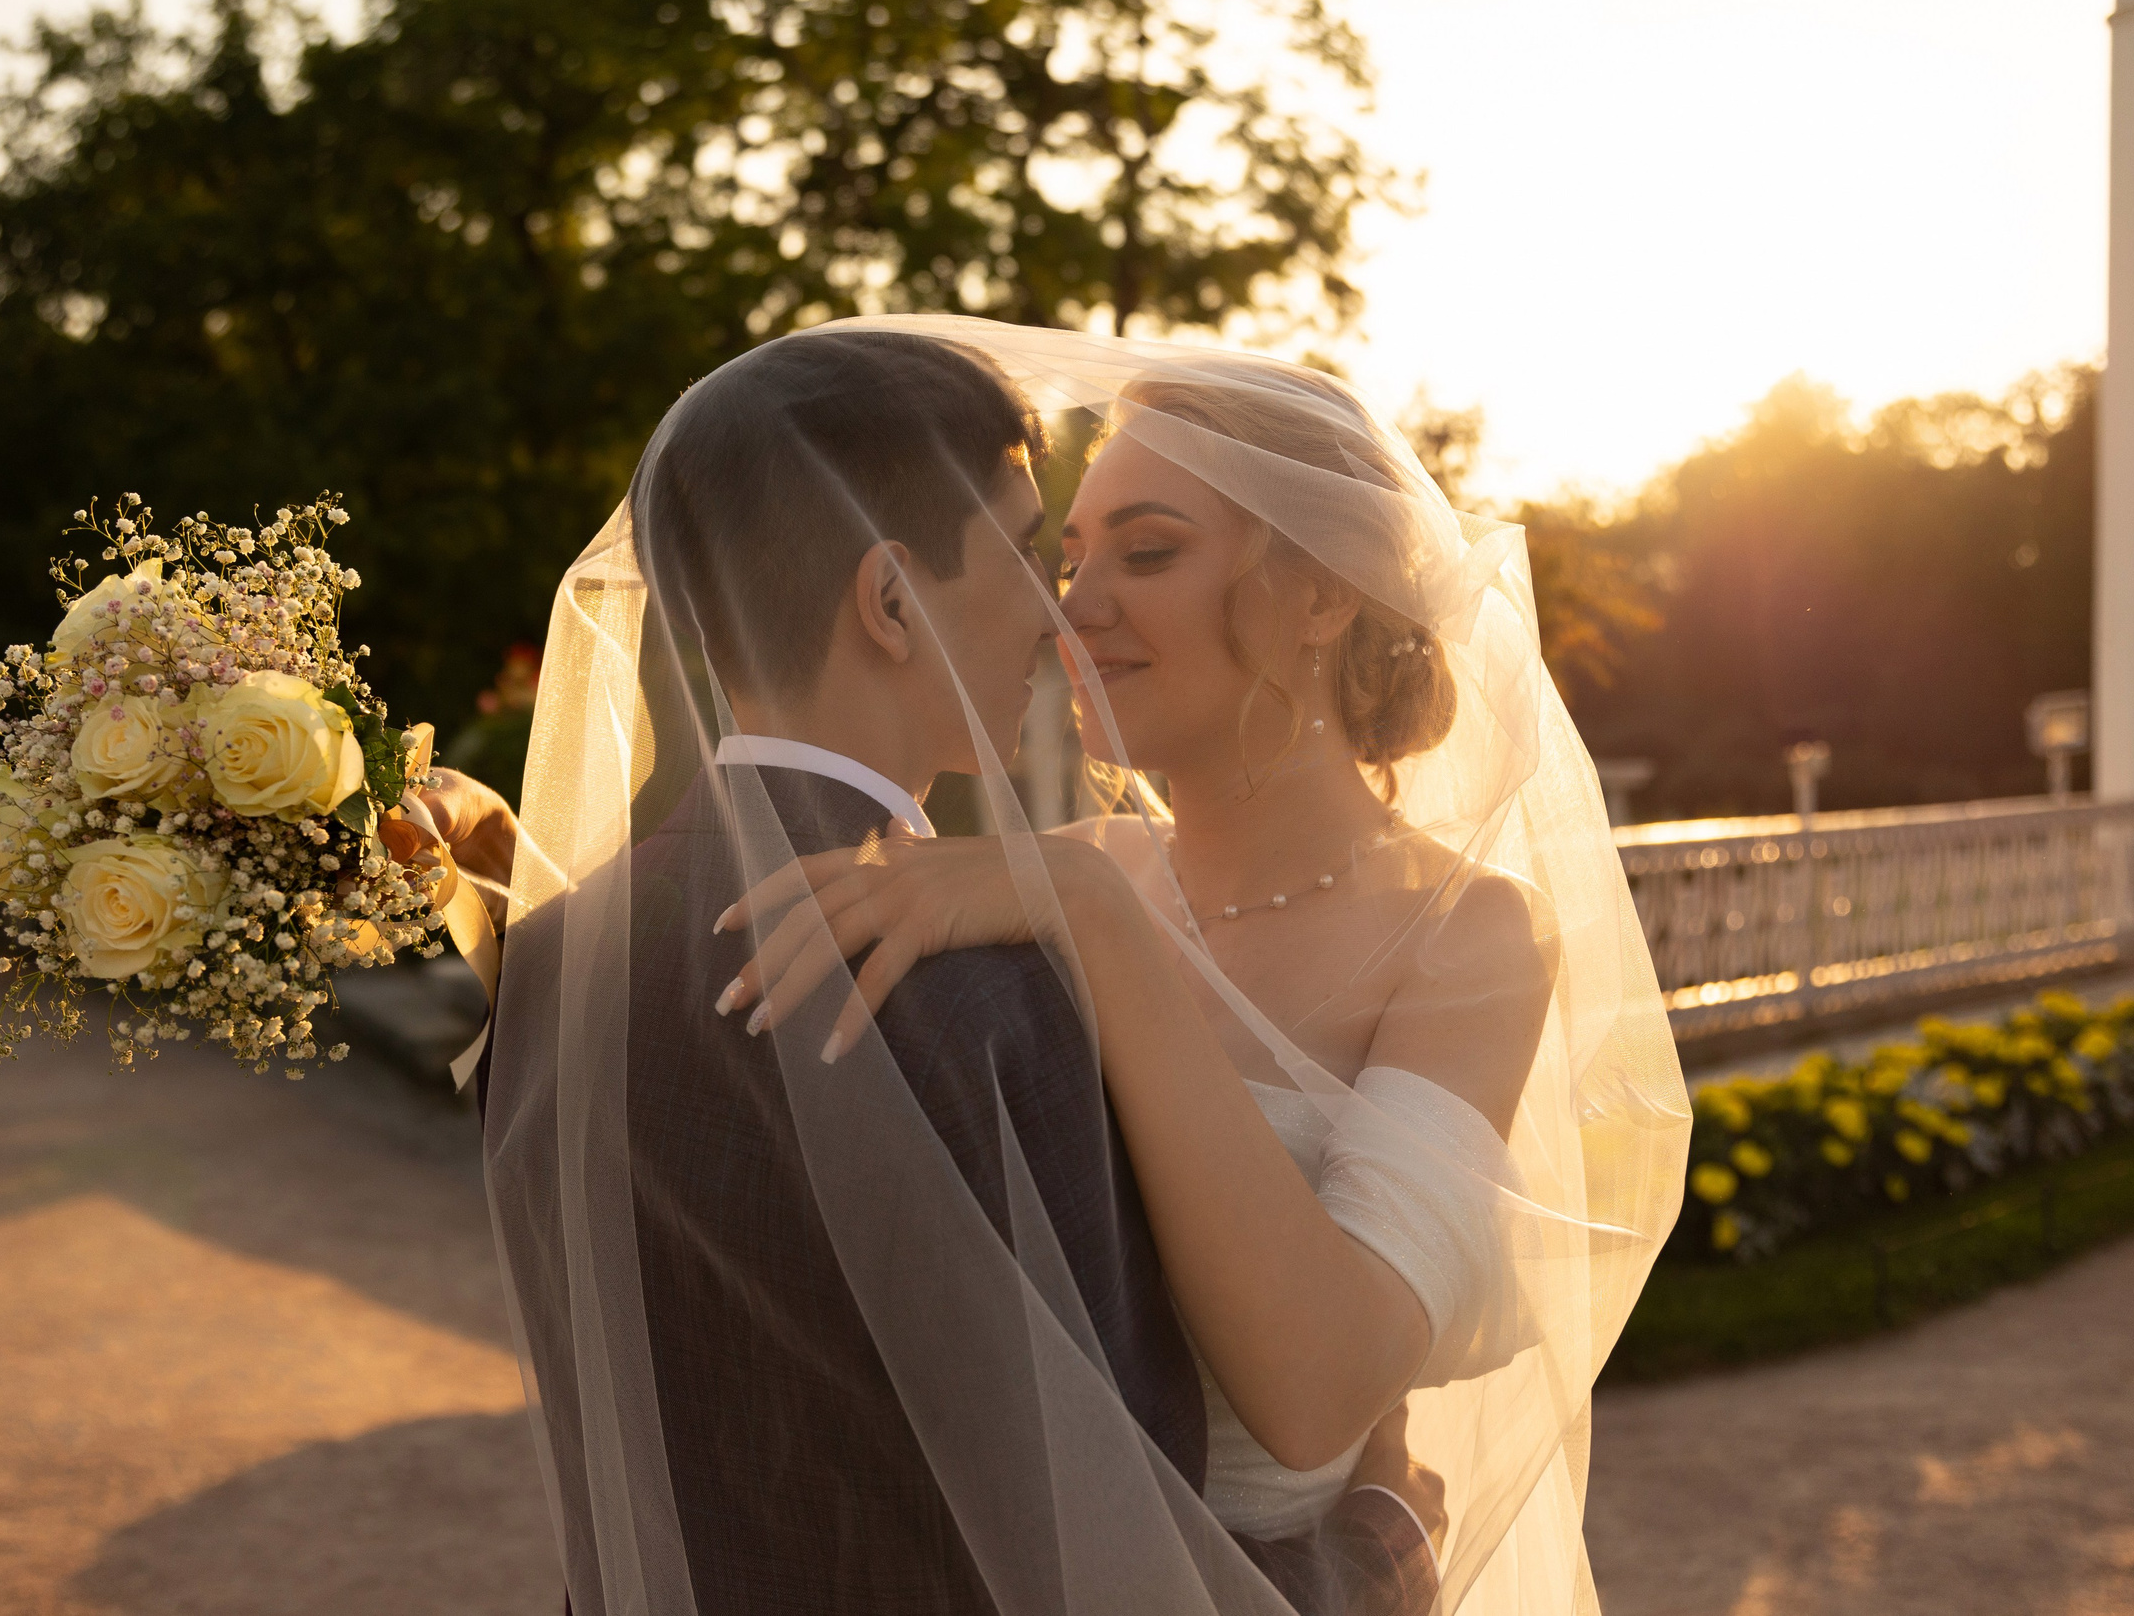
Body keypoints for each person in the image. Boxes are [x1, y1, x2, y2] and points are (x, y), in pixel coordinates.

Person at [707, 321, 1694, 1611]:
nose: (1073, 605)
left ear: (1325, 589)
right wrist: (472, 889)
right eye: (1064, 557)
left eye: (1149, 552)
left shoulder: (1466, 936)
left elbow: (1321, 1385)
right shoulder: (1060, 865)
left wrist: (1101, 927)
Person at [474, 326, 1448, 1616]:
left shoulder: (548, 952)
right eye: (1026, 555)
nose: (1062, 618)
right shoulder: (1002, 987)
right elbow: (1106, 1547)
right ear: (889, 603)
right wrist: (1381, 1544)